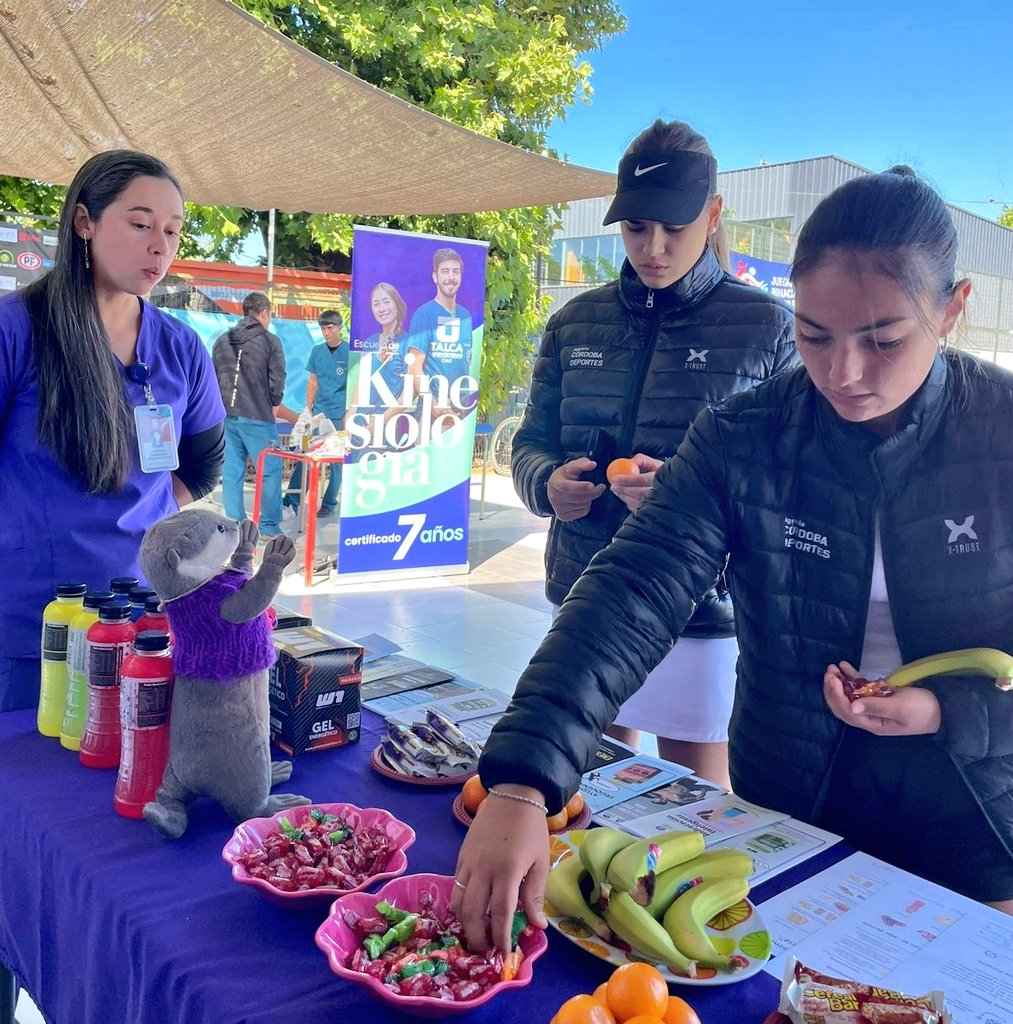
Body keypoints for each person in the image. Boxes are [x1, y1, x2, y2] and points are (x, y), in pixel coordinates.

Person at [452, 165, 1013, 954]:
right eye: (813, 335)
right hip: (795, 792)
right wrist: (521, 779)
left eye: (883, 339)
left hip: (981, 805)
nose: (842, 375)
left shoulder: (1000, 430)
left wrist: (948, 710)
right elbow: (632, 586)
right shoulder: (744, 435)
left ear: (951, 309)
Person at [510, 119, 796, 786]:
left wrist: (686, 495)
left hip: (701, 608)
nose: (654, 248)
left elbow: (790, 487)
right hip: (584, 593)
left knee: (693, 803)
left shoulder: (767, 330)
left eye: (674, 227)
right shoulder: (573, 323)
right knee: (589, 787)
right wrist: (546, 483)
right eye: (636, 228)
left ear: (713, 215)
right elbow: (528, 445)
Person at [0, 150, 225, 713]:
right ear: (85, 221)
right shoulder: (16, 329)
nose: (160, 246)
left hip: (141, 619)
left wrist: (143, 520)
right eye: (141, 224)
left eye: (172, 231)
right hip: (30, 628)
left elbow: (203, 465)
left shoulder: (180, 348)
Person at [212, 292, 287, 535]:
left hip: (226, 415)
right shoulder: (270, 341)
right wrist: (274, 404)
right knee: (270, 470)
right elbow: (277, 379)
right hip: (258, 416)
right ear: (264, 313)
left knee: (232, 472)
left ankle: (234, 526)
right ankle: (269, 526)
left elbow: (213, 377)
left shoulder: (222, 340)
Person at [284, 309, 348, 517]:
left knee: (336, 462)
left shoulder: (349, 352)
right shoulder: (317, 351)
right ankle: (292, 500)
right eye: (323, 328)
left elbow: (355, 383)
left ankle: (329, 502)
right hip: (318, 413)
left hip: (339, 414)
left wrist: (349, 412)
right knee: (307, 456)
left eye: (330, 328)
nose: (326, 332)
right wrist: (309, 407)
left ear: (339, 328)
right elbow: (313, 380)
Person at [405, 248, 473, 413]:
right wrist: (435, 407)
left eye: (455, 271)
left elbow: (465, 362)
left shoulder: (466, 316)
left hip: (460, 411)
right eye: (445, 271)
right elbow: (414, 367)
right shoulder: (424, 314)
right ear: (435, 277)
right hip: (430, 415)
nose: (451, 277)